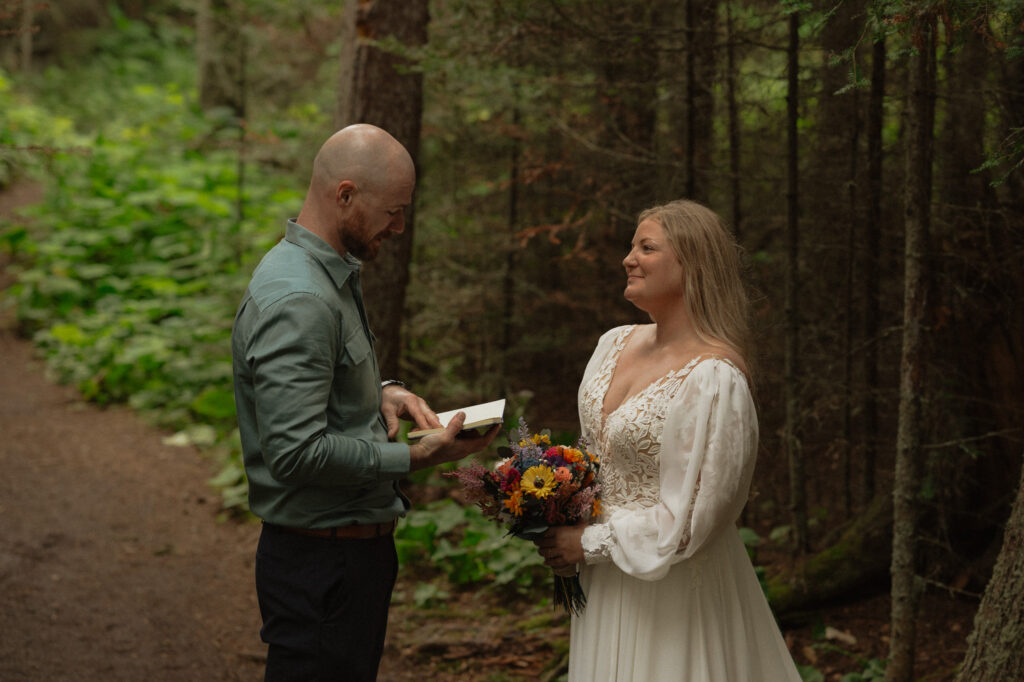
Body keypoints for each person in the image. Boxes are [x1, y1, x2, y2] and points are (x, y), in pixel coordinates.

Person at [231, 123, 499, 681]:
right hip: (323, 566)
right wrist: (416, 458)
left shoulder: (322, 273)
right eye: (392, 211)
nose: (400, 227)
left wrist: (383, 394)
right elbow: (295, 453)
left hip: (341, 558)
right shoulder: (302, 297)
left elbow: (316, 385)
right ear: (345, 194)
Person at [534, 199, 802, 681]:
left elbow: (697, 517)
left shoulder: (715, 379)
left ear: (692, 265)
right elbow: (594, 456)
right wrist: (554, 507)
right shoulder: (613, 343)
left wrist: (588, 542)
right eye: (631, 246)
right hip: (605, 579)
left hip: (672, 586)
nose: (628, 258)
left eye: (647, 247)